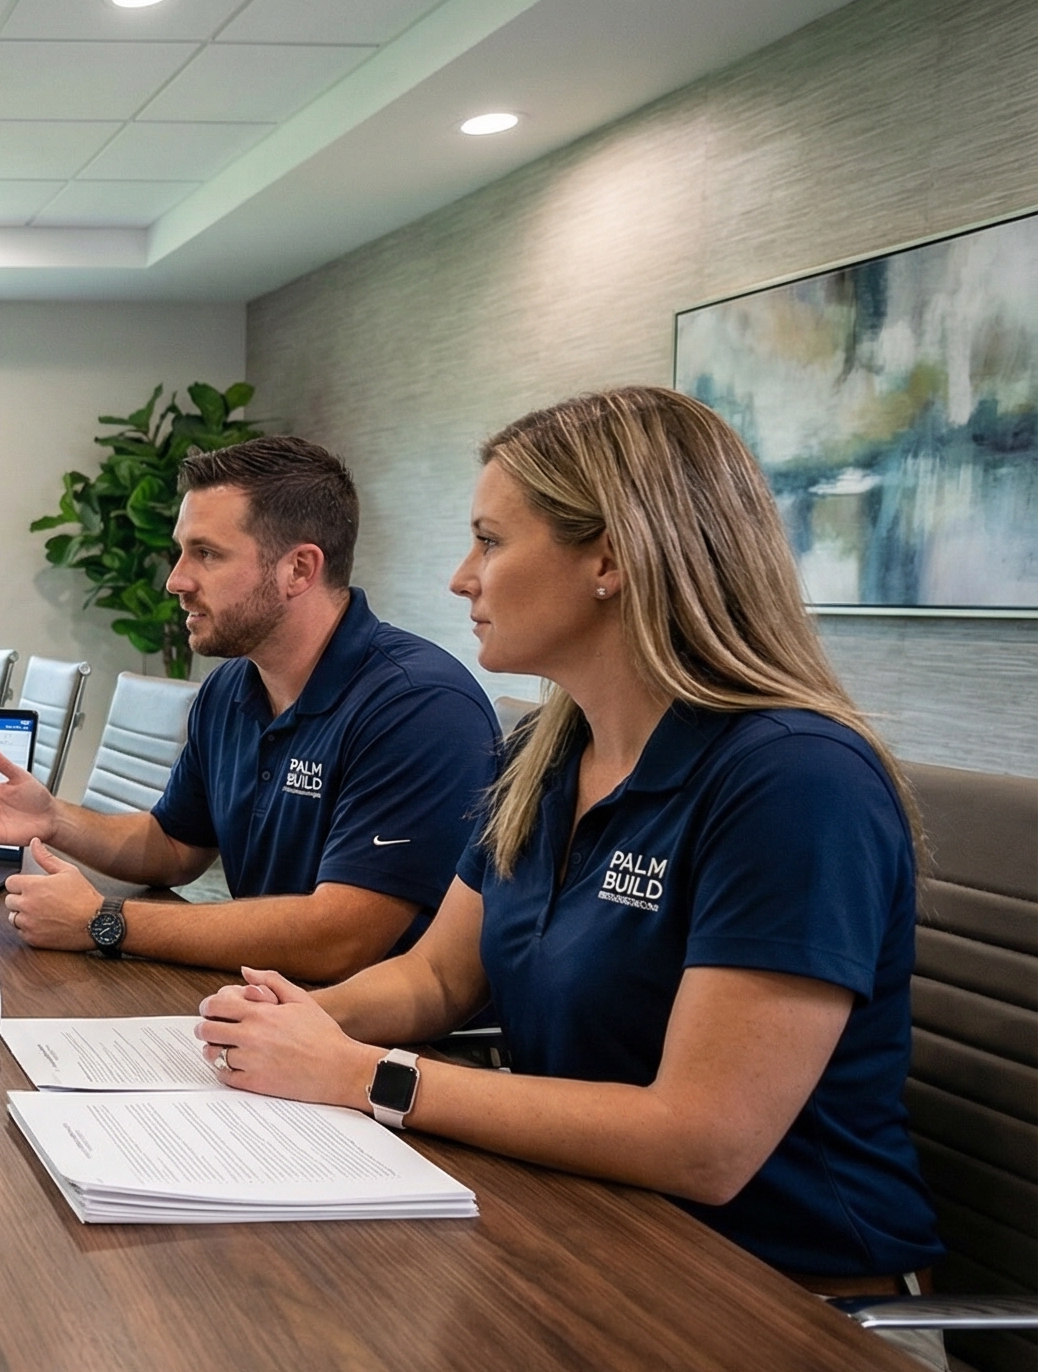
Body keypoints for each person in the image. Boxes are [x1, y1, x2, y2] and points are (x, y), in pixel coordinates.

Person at [195, 387, 942, 1307]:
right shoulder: (548, 752)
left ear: (612, 559)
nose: (461, 577)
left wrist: (365, 1075)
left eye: (492, 541)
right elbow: (436, 980)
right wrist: (292, 1020)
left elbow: (701, 1141)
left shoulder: (796, 782)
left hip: (784, 1295)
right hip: (584, 1232)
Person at [0, 436, 498, 980]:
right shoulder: (230, 687)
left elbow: (343, 937)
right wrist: (55, 819)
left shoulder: (418, 707)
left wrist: (106, 921)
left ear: (299, 569)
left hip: (383, 1045)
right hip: (264, 1005)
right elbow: (175, 846)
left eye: (206, 553)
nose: (176, 581)